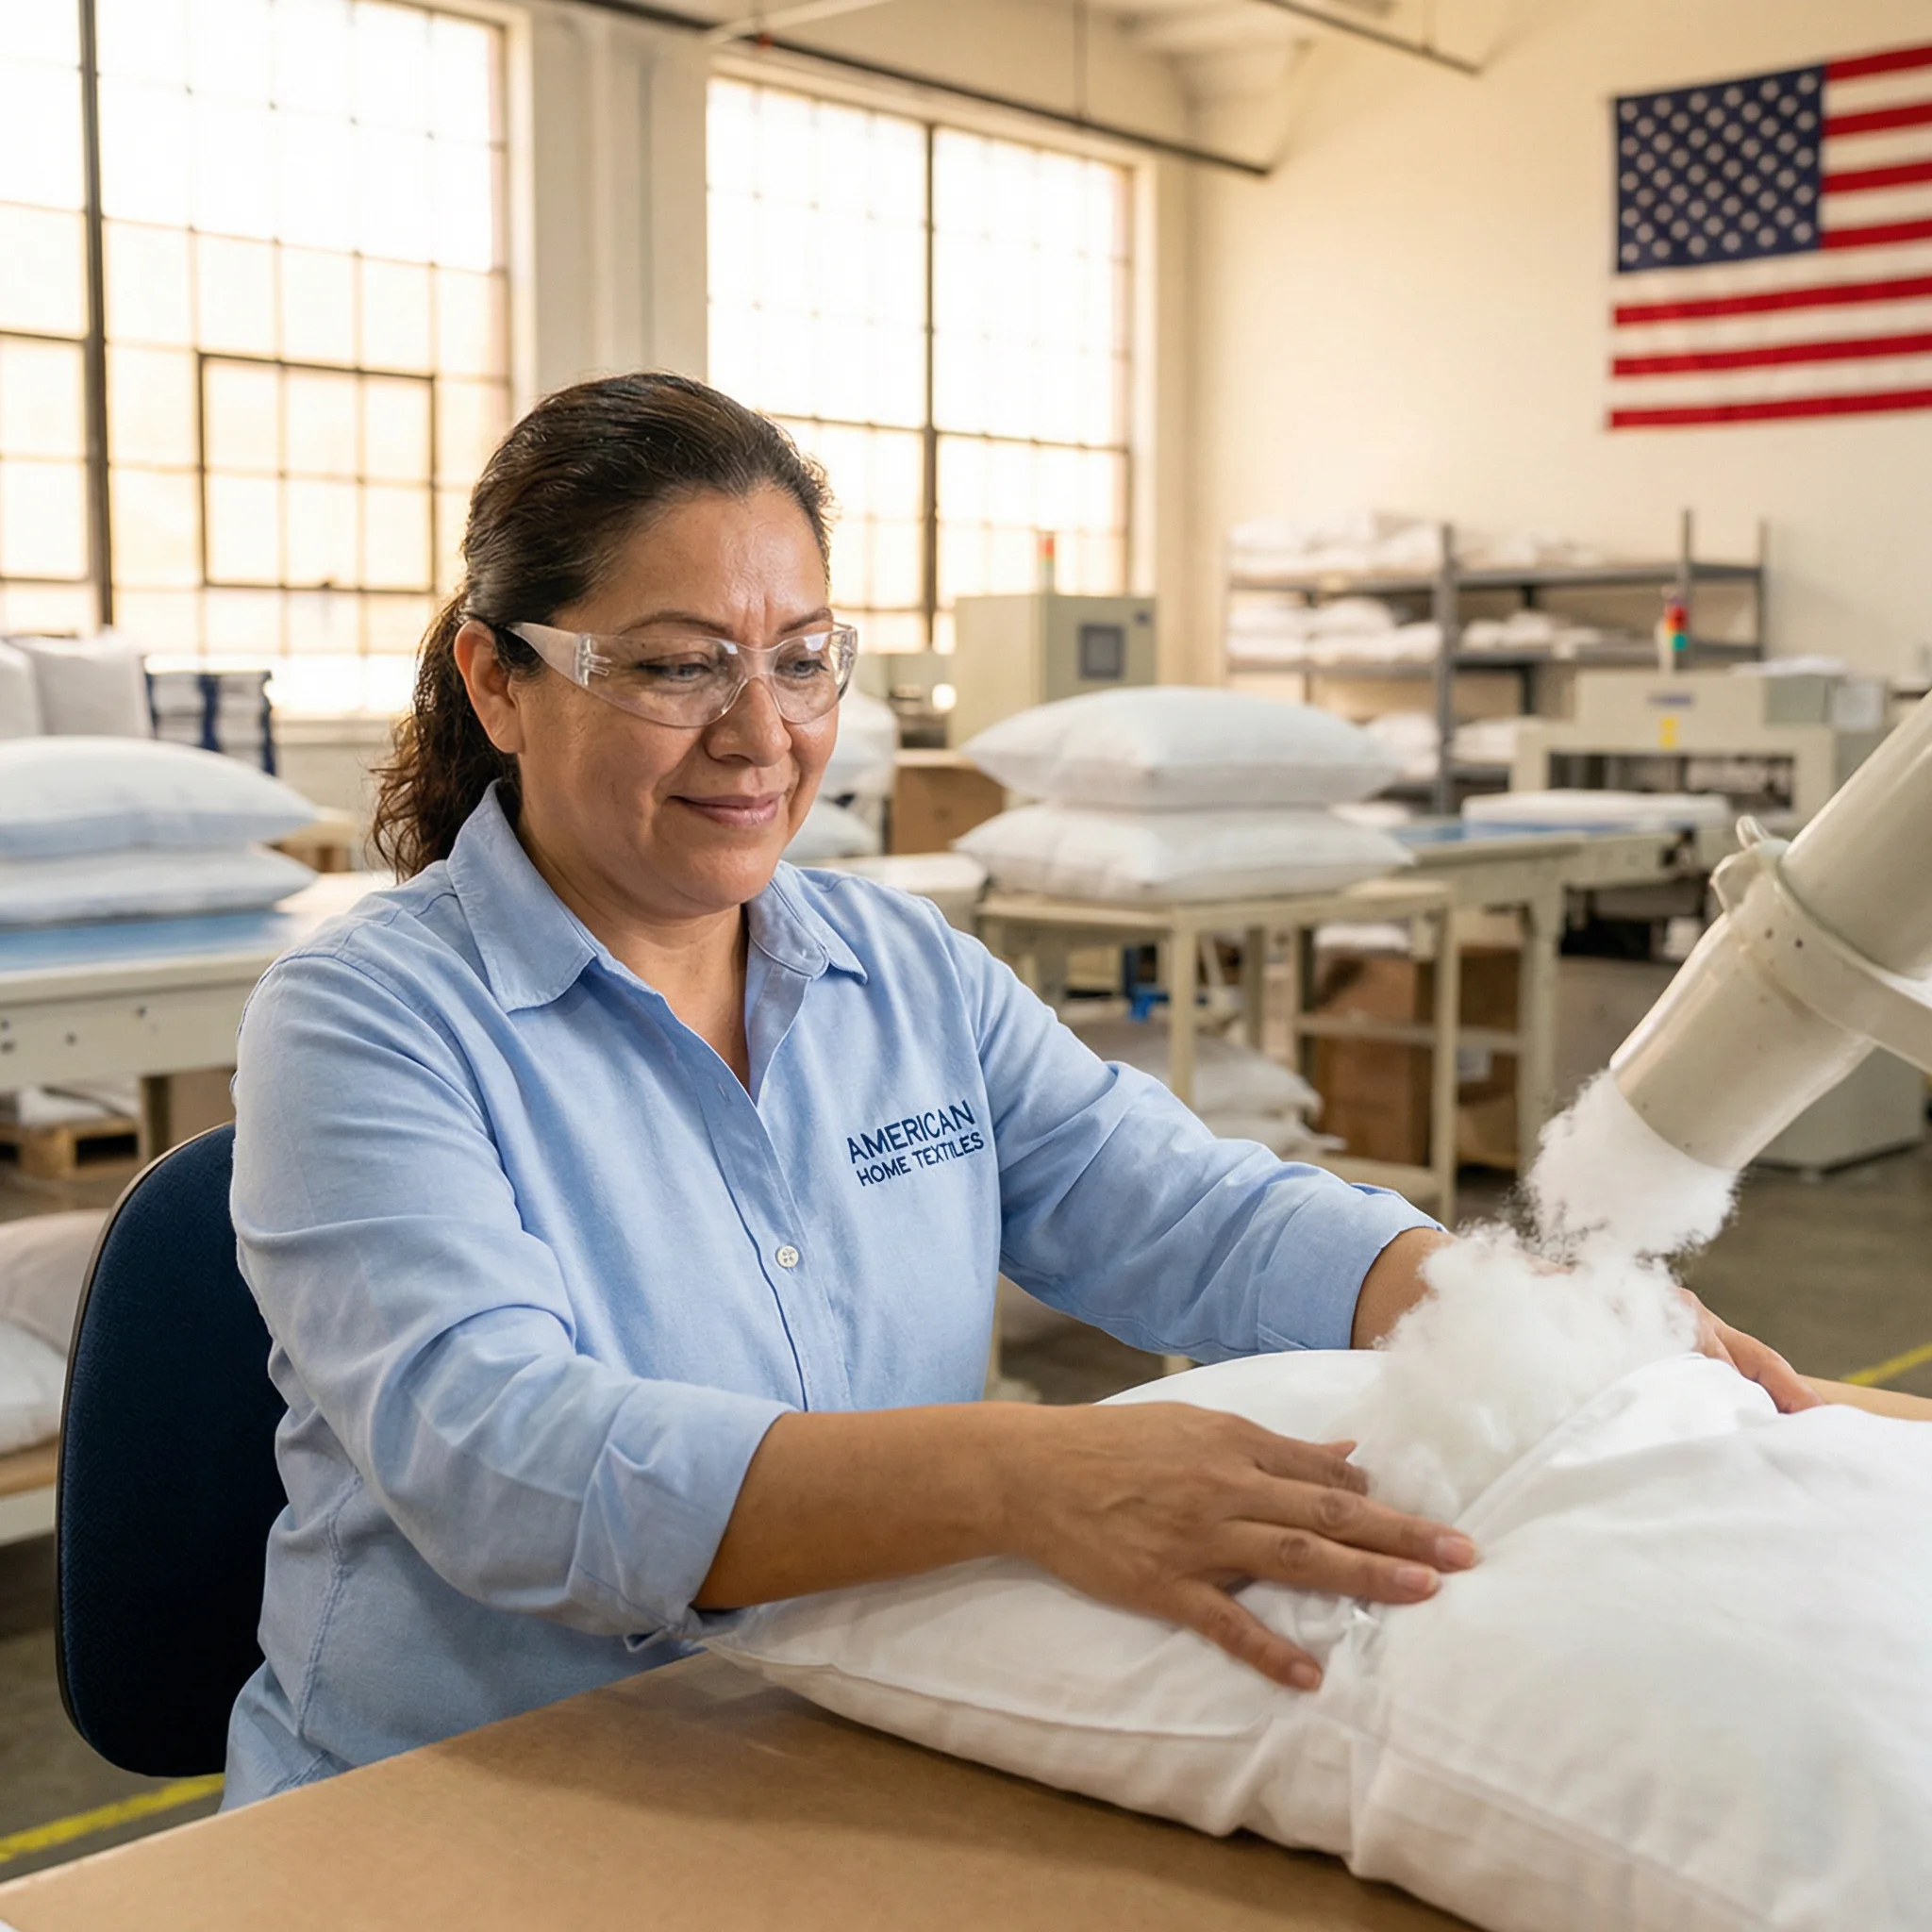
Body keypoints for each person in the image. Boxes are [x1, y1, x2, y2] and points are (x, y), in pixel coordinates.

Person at [224, 372, 1810, 1804]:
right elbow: (502, 1456)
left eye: (803, 661)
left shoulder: (896, 974)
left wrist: (1503, 1307)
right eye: (679, 667)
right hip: (464, 1791)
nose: (762, 734)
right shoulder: (372, 1021)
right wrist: (1020, 1475)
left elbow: (1182, 1208)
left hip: (845, 1745)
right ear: (498, 681)